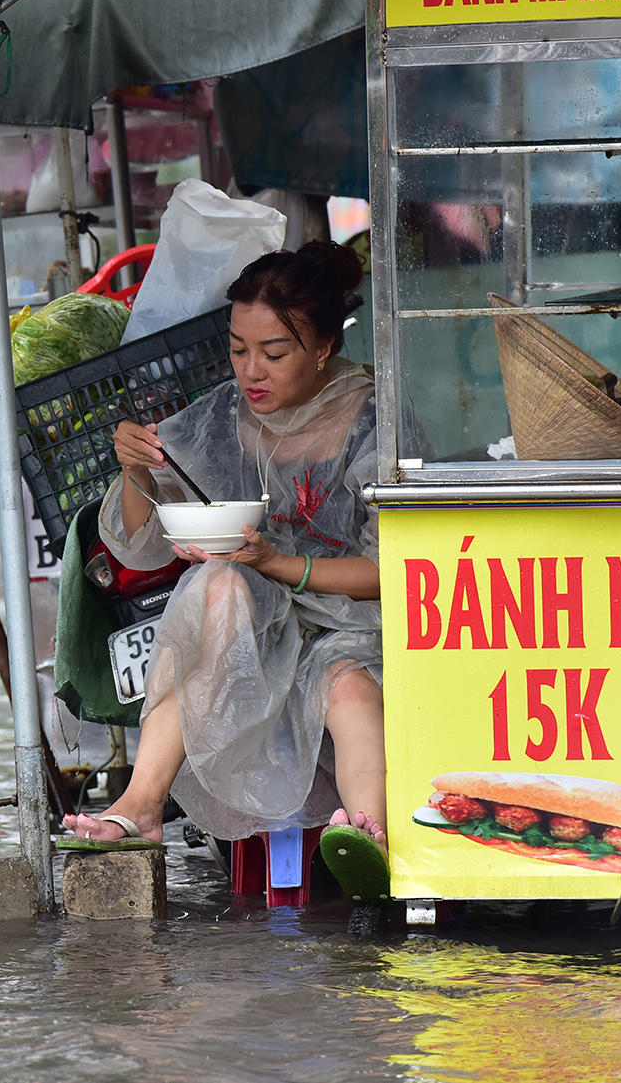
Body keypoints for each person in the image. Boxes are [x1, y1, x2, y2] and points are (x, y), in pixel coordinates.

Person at [60, 240, 387, 868]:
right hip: (250, 629)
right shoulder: (217, 420)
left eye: (274, 352)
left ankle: (368, 836)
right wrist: (137, 474)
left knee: (346, 692)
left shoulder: (374, 422)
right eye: (238, 350)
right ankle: (141, 806)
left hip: (355, 629)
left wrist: (281, 565)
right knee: (215, 589)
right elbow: (141, 538)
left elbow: (393, 572)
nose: (251, 372)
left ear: (324, 347)